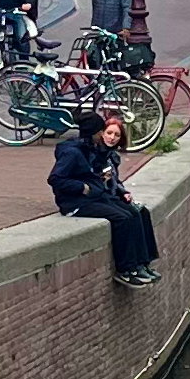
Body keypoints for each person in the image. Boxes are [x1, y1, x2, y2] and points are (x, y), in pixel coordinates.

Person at [48, 113, 160, 287]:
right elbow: (55, 179)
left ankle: (141, 264)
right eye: (102, 131)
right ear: (93, 132)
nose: (103, 136)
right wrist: (83, 188)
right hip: (76, 203)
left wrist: (109, 183)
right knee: (122, 218)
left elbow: (95, 172)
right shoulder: (72, 153)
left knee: (134, 212)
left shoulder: (89, 149)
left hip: (94, 197)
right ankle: (125, 269)